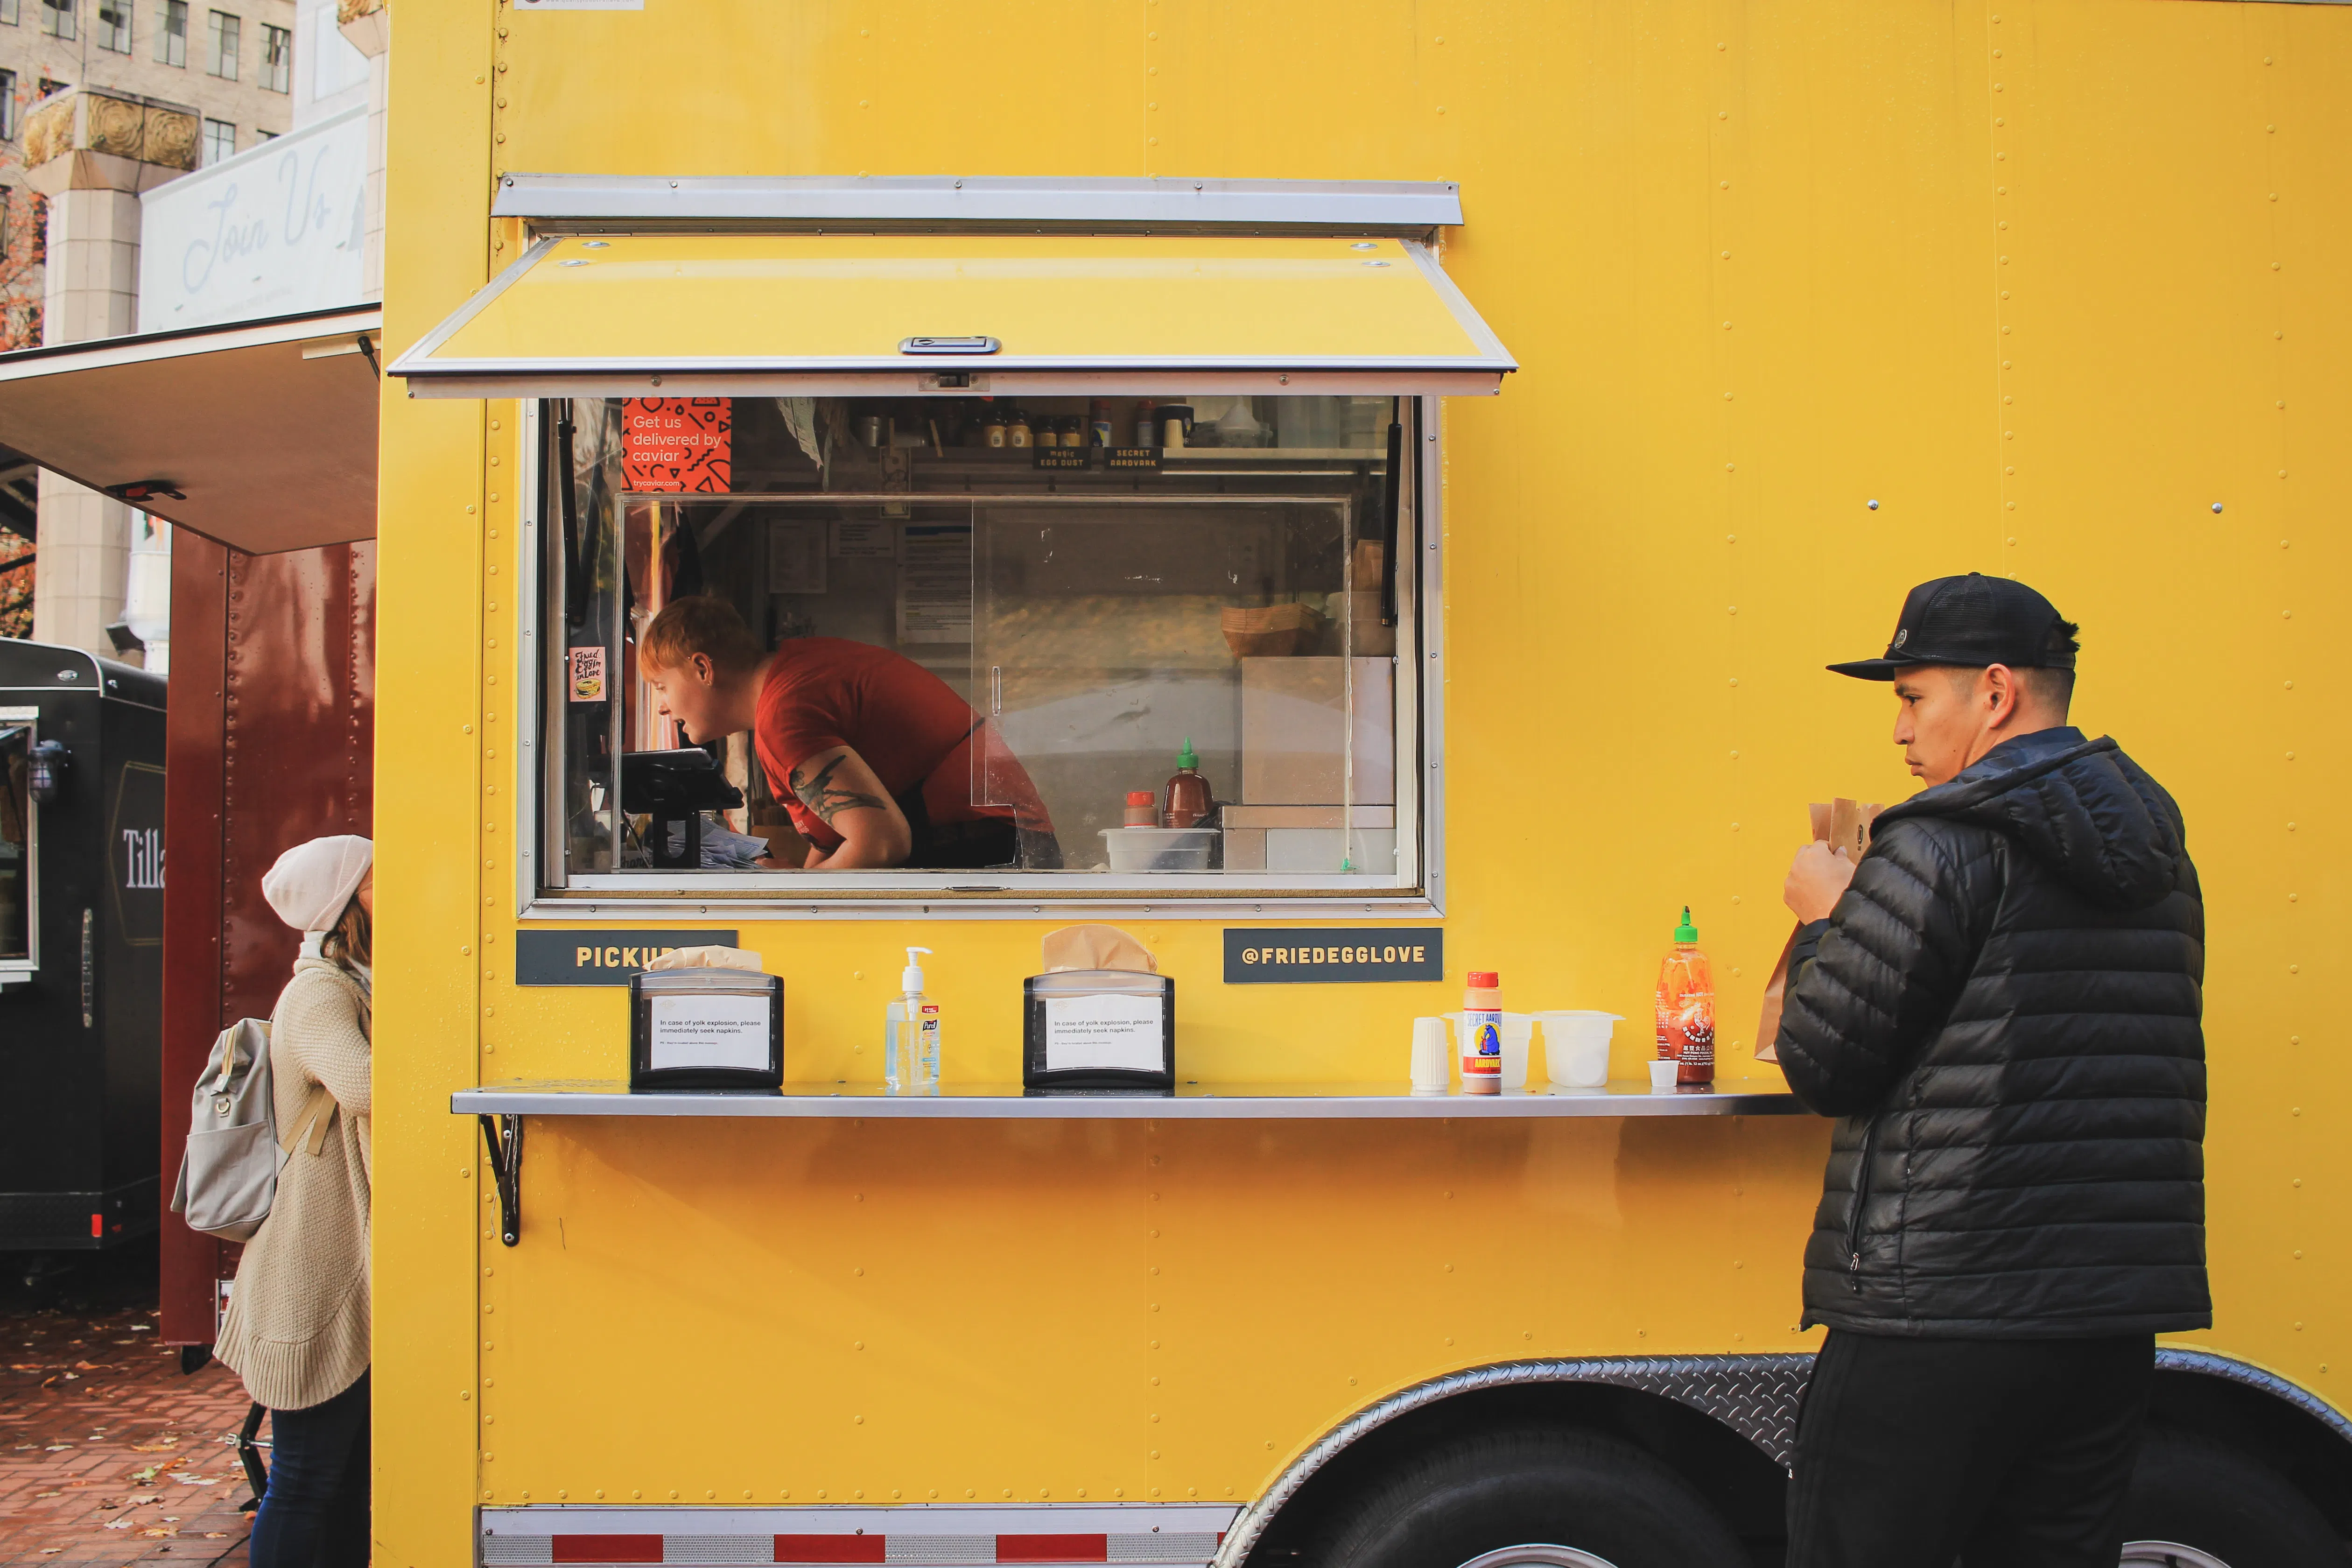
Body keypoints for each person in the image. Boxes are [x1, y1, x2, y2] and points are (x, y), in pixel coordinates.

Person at [1773, 574, 2207, 1568]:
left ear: (1996, 692)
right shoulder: (2156, 844)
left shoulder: (1936, 842)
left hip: (1938, 1308)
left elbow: (1823, 1061)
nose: (1897, 728)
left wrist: (1825, 915)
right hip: (2104, 1318)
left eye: (1913, 694)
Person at [216, 835, 376, 1568]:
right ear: (344, 909)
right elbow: (368, 1085)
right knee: (307, 1478)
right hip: (311, 1275)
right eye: (377, 881)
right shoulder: (318, 991)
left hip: (341, 1266)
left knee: (348, 1479)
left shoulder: (360, 981)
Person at [636, 596, 1058, 870]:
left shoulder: (785, 715)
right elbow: (844, 833)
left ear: (703, 669)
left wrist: (796, 895)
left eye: (661, 687)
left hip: (996, 857)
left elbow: (880, 843)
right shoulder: (795, 673)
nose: (661, 705)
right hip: (1008, 847)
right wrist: (803, 879)